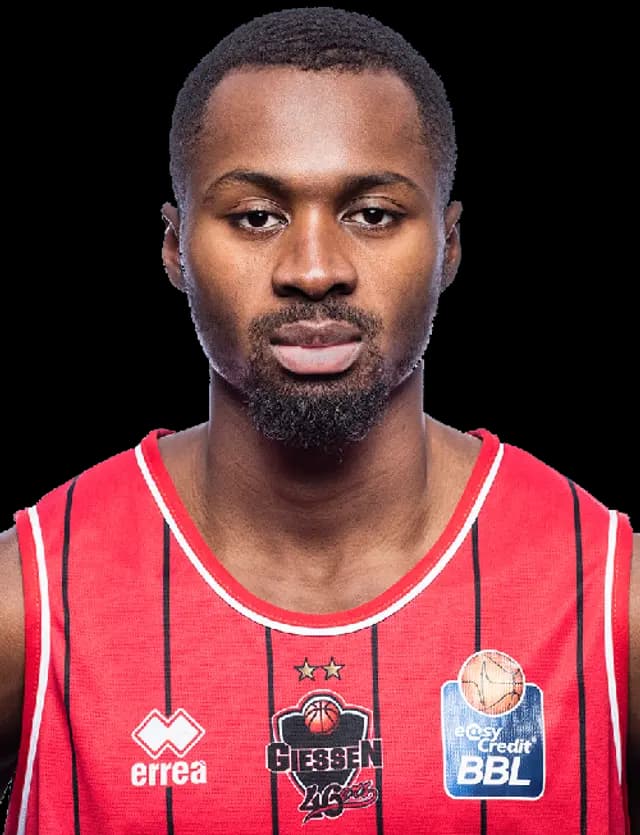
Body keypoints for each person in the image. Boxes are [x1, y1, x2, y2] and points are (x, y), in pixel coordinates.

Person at [1, 6, 637, 833]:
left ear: (448, 246)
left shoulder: (610, 597)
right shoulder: (30, 602)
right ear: (175, 247)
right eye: (256, 216)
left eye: (371, 214)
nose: (313, 270)